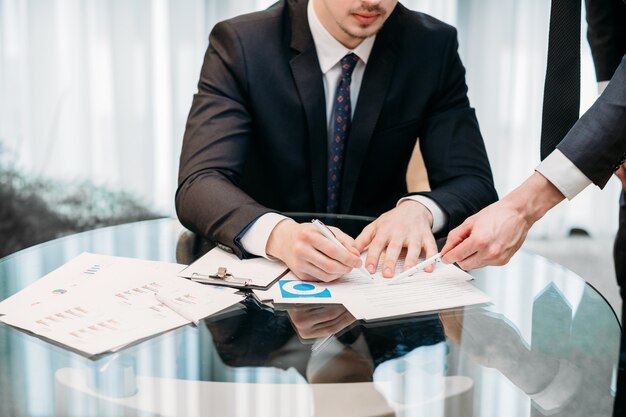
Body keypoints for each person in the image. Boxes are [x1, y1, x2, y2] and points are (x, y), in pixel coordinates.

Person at [176, 0, 497, 282]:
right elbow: (199, 183)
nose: (373, 1)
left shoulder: (430, 47)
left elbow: (474, 182)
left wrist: (420, 210)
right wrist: (279, 235)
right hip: (261, 291)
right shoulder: (243, 43)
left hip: (375, 288)